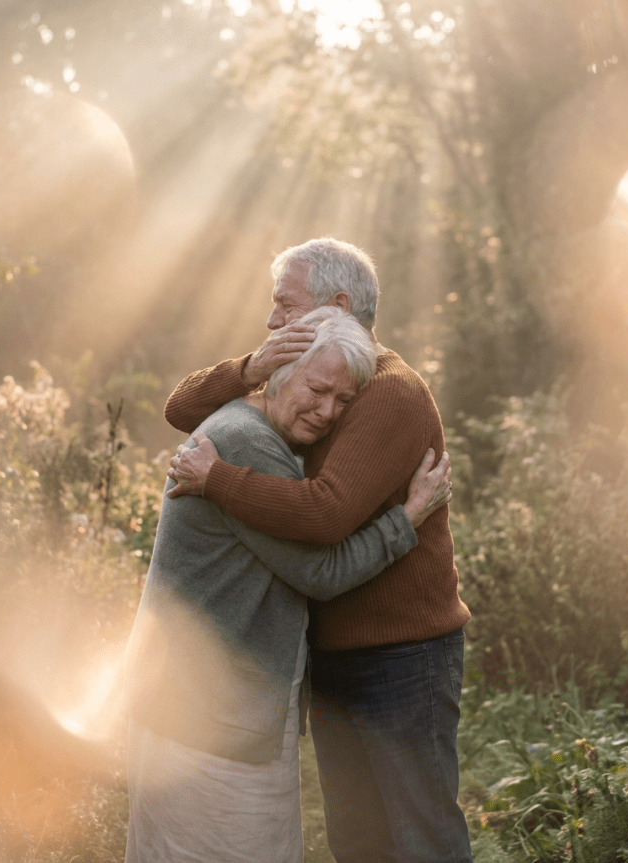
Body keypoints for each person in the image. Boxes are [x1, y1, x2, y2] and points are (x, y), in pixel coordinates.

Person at [164, 238, 473, 863]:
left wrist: (218, 479)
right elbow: (180, 409)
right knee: (358, 843)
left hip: (401, 655)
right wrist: (252, 368)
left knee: (422, 839)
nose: (272, 320)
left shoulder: (388, 392)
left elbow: (326, 512)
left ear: (337, 306)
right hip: (337, 653)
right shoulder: (315, 373)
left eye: (286, 305)